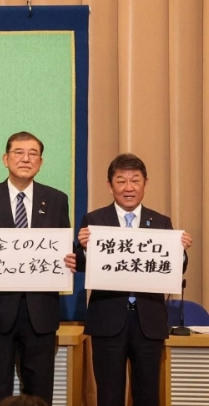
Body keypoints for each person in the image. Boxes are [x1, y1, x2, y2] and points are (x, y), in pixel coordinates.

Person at [0, 132, 77, 406]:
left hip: (40, 313)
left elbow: (62, 248)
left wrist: (71, 259)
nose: (25, 159)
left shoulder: (56, 200)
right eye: (18, 152)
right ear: (5, 159)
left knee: (39, 392)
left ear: (41, 162)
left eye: (33, 153)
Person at [76, 153, 192, 406]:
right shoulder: (94, 221)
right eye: (121, 181)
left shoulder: (161, 222)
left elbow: (174, 269)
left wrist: (180, 251)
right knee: (109, 395)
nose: (128, 188)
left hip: (148, 321)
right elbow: (81, 266)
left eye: (135, 180)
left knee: (148, 394)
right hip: (108, 320)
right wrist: (84, 248)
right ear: (110, 186)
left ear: (145, 184)